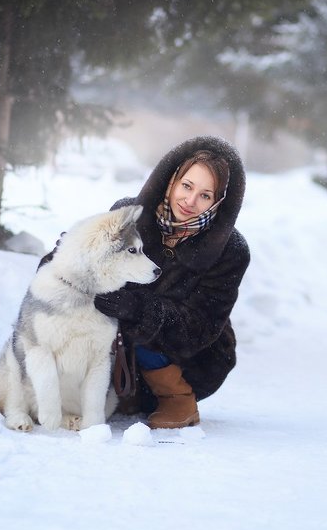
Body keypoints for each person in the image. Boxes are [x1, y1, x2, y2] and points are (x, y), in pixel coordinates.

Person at [93, 135, 250, 429]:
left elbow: (200, 326)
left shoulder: (231, 250)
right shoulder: (128, 214)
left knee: (144, 320)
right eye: (187, 186)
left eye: (205, 195)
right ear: (172, 180)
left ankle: (176, 397)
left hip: (190, 360)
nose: (190, 201)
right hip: (117, 350)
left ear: (219, 202)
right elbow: (87, 254)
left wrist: (140, 309)